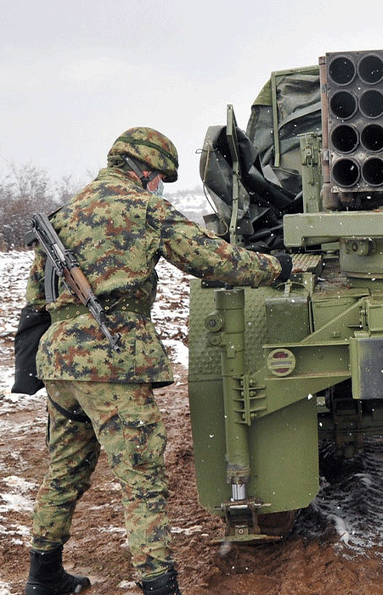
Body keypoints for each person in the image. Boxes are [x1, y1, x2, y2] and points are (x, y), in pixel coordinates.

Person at [21, 127, 293, 595]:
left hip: (59, 362)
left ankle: (42, 576)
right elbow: (213, 260)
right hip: (112, 362)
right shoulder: (145, 210)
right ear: (144, 170)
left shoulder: (63, 216)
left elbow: (35, 297)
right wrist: (278, 267)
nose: (160, 186)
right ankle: (159, 587)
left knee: (64, 471)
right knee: (141, 482)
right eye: (160, 177)